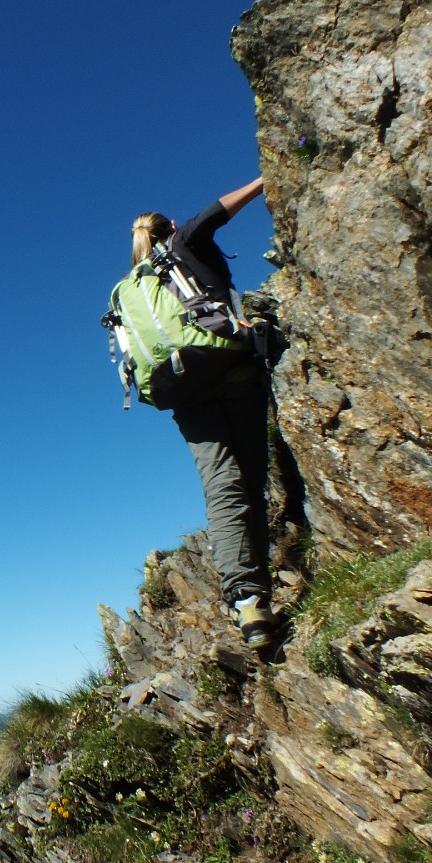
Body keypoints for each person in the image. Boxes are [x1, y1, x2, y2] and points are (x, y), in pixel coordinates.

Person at [130, 176, 277, 648]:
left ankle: (247, 603)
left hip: (183, 388)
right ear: (168, 226)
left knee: (221, 485)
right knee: (251, 480)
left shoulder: (134, 283)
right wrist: (265, 179)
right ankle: (256, 594)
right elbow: (218, 210)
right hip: (230, 370)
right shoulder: (182, 238)